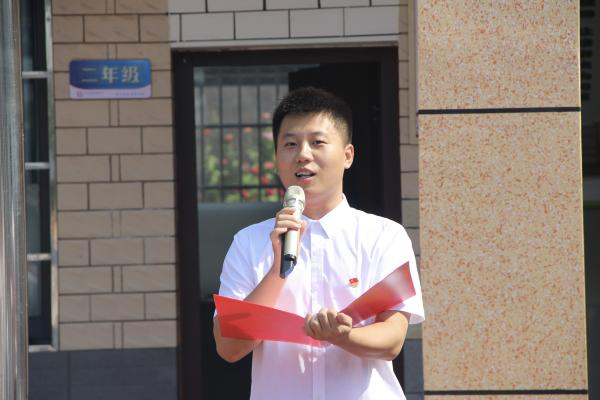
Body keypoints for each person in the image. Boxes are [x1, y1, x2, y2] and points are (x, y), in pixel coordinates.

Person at [214, 87, 424, 399]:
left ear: (348, 155)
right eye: (290, 144)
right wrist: (277, 270)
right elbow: (229, 347)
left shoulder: (384, 236)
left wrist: (342, 336)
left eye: (317, 142)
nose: (303, 154)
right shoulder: (248, 243)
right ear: (276, 158)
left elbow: (392, 340)